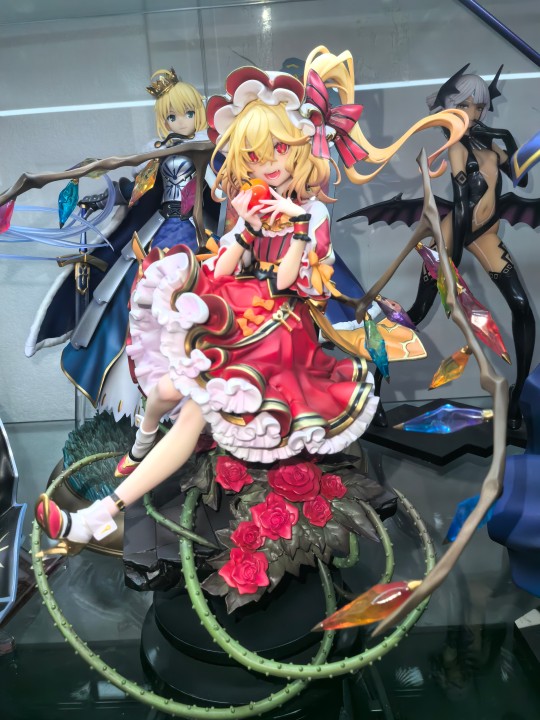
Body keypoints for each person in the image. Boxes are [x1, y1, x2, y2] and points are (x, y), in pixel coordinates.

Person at [35, 47, 467, 550]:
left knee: (193, 412)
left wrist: (295, 227)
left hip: (279, 330)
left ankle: (99, 515)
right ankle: (139, 446)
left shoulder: (313, 216)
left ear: (299, 148)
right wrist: (246, 229)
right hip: (237, 314)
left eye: (278, 150)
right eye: (256, 156)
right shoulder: (253, 204)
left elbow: (285, 282)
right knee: (167, 390)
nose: (269, 164)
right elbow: (221, 269)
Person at [36, 70, 216, 420]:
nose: (181, 121)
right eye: (172, 116)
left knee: (196, 301)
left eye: (188, 113)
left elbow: (218, 193)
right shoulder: (158, 153)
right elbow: (138, 190)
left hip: (191, 232)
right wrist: (107, 195)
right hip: (159, 228)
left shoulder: (208, 149)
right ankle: (135, 398)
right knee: (130, 298)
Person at [407, 65, 536, 429]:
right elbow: (461, 204)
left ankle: (518, 394)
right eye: (465, 106)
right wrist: (452, 263)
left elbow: (521, 176)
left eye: (478, 107)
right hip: (453, 234)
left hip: (486, 235)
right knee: (417, 311)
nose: (474, 113)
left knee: (521, 306)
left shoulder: (490, 146)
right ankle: (371, 379)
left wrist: (506, 136)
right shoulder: (457, 147)